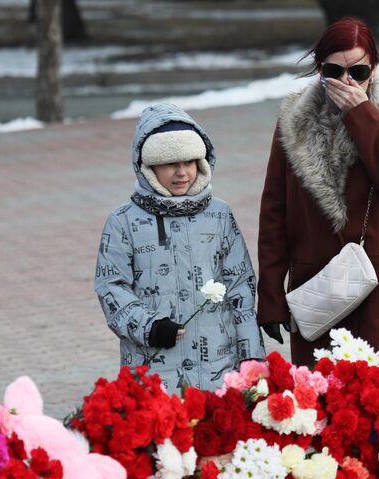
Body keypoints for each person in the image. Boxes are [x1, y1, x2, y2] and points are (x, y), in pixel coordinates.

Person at [257, 17, 379, 366]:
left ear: (374, 68)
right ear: (321, 70)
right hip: (320, 290)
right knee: (324, 404)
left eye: (359, 71)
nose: (347, 81)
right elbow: (274, 210)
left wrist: (361, 114)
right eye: (335, 71)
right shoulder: (294, 123)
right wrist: (271, 294)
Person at [94, 102, 265, 393]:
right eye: (171, 163)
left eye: (189, 162)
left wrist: (252, 357)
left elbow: (240, 287)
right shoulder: (123, 221)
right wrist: (150, 327)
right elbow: (112, 286)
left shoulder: (219, 215)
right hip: (153, 369)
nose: (181, 172)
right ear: (149, 167)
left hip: (218, 368)